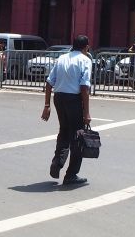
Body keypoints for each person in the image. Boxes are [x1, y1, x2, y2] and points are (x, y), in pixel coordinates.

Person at [42, 34, 92, 187]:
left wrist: (47, 106)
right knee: (77, 136)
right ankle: (71, 174)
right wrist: (86, 112)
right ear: (86, 47)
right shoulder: (85, 60)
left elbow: (49, 82)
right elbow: (84, 87)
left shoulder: (62, 58)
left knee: (64, 131)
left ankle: (57, 162)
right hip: (73, 99)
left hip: (59, 98)